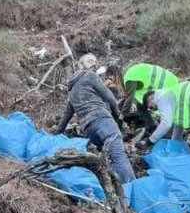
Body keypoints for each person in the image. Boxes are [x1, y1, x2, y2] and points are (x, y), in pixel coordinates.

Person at [53, 54, 135, 191]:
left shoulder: (72, 89)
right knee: (119, 157)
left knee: (105, 161)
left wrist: (57, 134)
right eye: (90, 61)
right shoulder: (90, 76)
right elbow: (109, 97)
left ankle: (113, 191)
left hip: (88, 129)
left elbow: (67, 115)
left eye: (95, 61)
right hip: (102, 119)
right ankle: (135, 192)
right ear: (80, 64)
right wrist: (119, 119)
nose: (94, 64)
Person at [113, 63, 179, 132]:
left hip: (166, 84)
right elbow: (129, 98)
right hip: (166, 82)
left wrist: (121, 118)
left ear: (115, 75)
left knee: (164, 111)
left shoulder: (128, 77)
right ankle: (153, 128)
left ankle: (171, 131)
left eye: (111, 79)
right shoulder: (128, 73)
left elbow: (129, 99)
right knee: (141, 107)